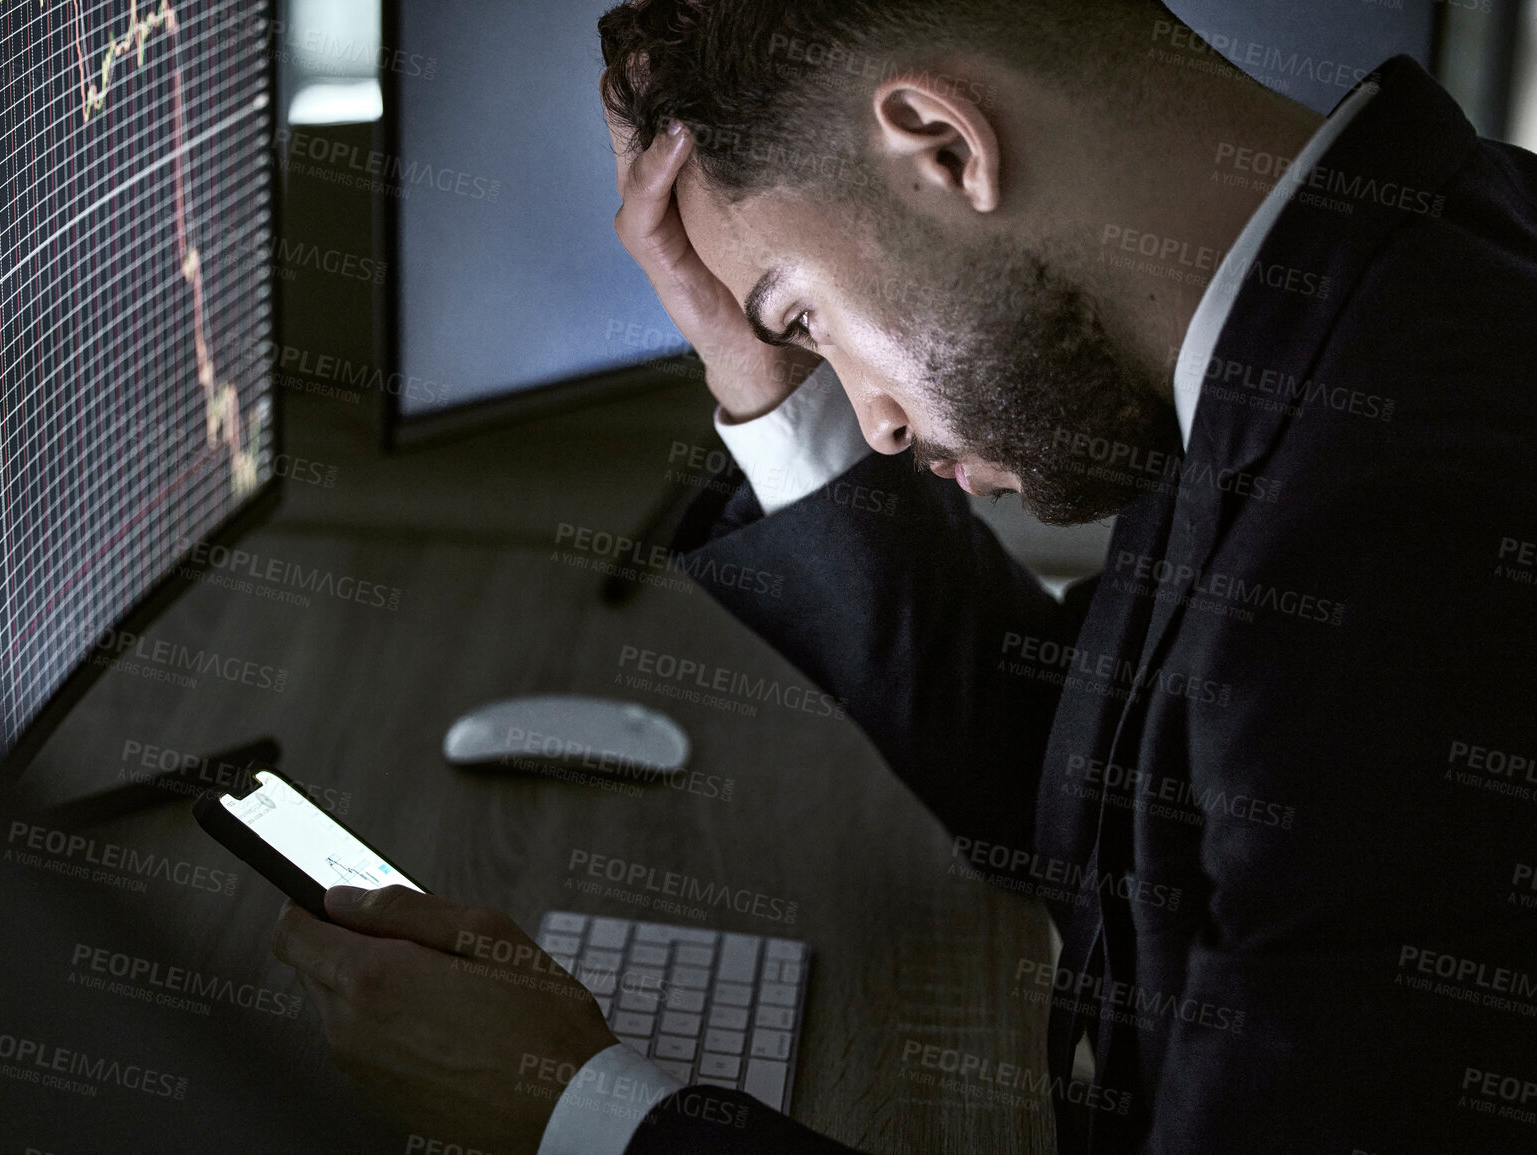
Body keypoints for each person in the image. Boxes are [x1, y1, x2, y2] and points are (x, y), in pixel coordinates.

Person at [272, 2, 1537, 1151]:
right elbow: (1100, 804)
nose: (872, 420)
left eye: (803, 315)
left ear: (940, 143)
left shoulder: (1404, 524)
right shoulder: (1370, 300)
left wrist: (575, 1115)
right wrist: (758, 374)